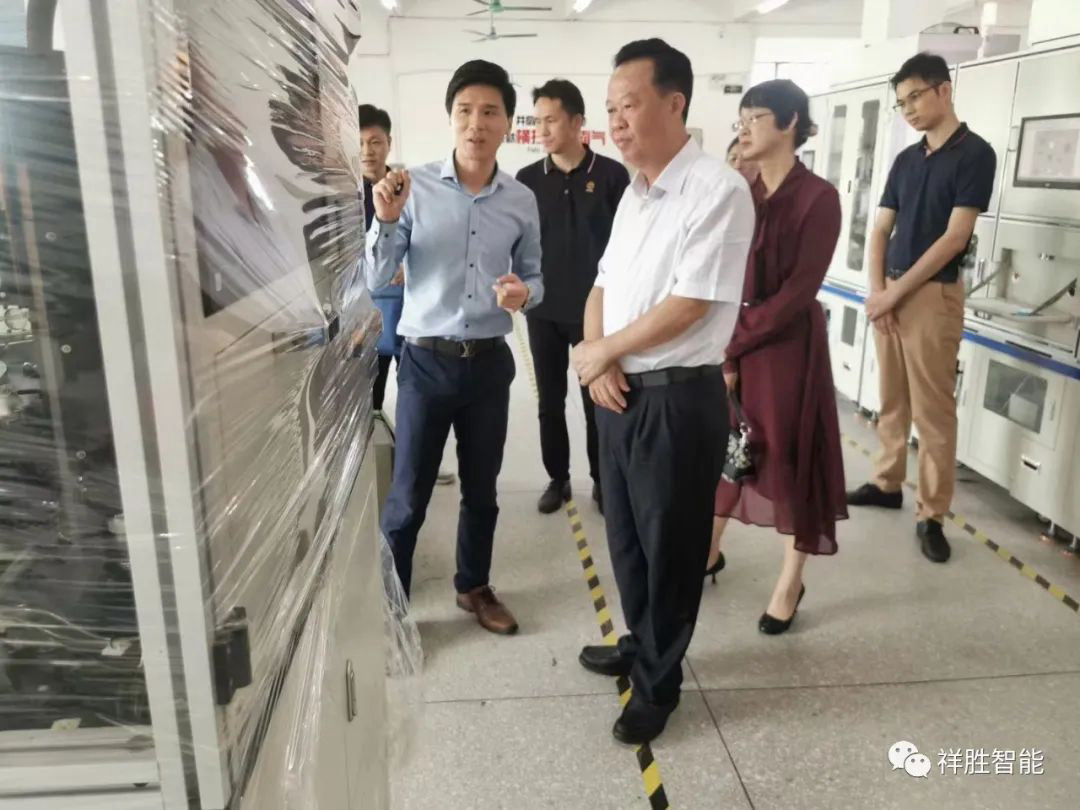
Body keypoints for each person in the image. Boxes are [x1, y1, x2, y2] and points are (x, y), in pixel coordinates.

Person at [571, 39, 754, 745]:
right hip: (619, 393)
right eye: (610, 108)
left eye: (629, 105)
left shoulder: (716, 190)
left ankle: (658, 683)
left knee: (670, 547)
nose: (615, 121)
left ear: (675, 104)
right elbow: (602, 285)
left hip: (676, 401)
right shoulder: (635, 195)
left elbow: (692, 303)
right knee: (626, 537)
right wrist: (598, 361)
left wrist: (604, 352)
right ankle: (640, 640)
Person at [366, 60, 544, 634]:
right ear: (450, 118)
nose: (476, 123)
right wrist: (385, 221)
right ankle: (391, 605)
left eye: (490, 111)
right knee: (408, 494)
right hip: (425, 362)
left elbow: (535, 278)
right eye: (465, 110)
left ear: (508, 123)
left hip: (488, 365)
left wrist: (523, 293)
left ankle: (474, 586)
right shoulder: (411, 188)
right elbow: (376, 276)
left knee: (482, 491)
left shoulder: (520, 199)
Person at [709, 80, 847, 634]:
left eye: (756, 118)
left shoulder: (819, 198)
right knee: (725, 449)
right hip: (732, 341)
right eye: (740, 119)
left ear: (790, 123)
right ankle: (708, 550)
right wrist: (722, 347)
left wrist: (732, 341)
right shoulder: (738, 190)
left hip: (786, 348)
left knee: (788, 457)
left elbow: (797, 292)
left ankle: (791, 580)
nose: (744, 129)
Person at [847, 52, 995, 564]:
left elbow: (955, 238)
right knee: (892, 398)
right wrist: (879, 292)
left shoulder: (975, 154)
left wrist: (894, 294)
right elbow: (880, 229)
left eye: (915, 97)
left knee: (933, 412)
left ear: (943, 91)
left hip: (932, 296)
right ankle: (886, 482)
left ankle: (931, 514)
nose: (908, 109)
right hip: (889, 291)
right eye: (901, 102)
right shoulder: (906, 160)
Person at [516, 79, 630, 516]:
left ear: (577, 122)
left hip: (594, 314)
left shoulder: (611, 176)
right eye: (537, 121)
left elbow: (625, 247)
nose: (541, 130)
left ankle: (602, 479)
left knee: (596, 400)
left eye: (551, 120)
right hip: (543, 310)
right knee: (550, 401)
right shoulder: (528, 180)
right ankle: (558, 478)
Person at [359, 105, 456, 486]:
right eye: (361, 143)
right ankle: (373, 470)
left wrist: (404, 262)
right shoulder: (344, 194)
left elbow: (425, 238)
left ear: (388, 143)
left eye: (375, 142)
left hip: (409, 309)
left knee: (419, 395)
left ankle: (423, 466)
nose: (368, 151)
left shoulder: (406, 188)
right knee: (370, 396)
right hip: (364, 313)